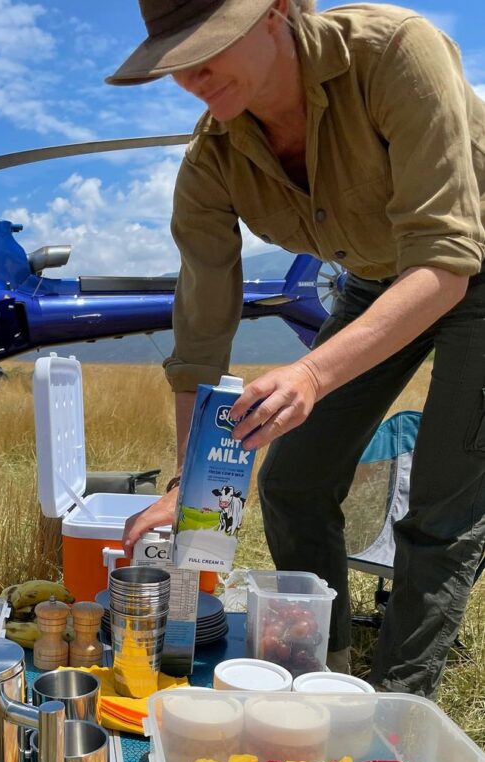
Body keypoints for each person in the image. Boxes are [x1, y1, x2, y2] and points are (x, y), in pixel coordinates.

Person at [109, 0, 485, 698]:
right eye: (174, 57)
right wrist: (187, 493)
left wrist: (310, 373)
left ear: (278, 11)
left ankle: (396, 711)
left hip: (469, 266)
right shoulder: (211, 163)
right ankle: (321, 682)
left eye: (208, 45)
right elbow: (199, 344)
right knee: (290, 483)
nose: (189, 74)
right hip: (376, 280)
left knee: (438, 508)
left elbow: (444, 266)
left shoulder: (396, 52)